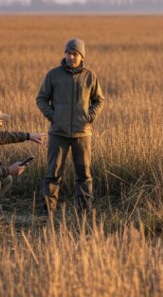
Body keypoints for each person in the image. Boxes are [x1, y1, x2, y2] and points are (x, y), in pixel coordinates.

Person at [37, 38, 105, 213]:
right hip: (58, 133)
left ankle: (84, 211)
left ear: (82, 56)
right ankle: (48, 212)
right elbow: (41, 99)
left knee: (84, 174)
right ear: (65, 54)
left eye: (75, 54)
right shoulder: (53, 75)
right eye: (69, 53)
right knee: (53, 173)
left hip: (82, 133)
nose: (71, 57)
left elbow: (99, 100)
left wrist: (89, 116)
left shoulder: (90, 76)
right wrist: (53, 116)